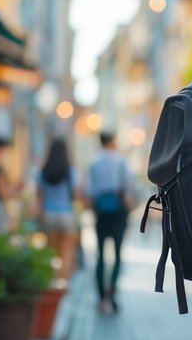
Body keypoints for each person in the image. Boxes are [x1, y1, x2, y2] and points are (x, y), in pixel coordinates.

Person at [86, 131, 131, 313]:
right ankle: (111, 293)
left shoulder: (94, 164)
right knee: (118, 255)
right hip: (118, 213)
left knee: (100, 255)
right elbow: (129, 189)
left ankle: (100, 296)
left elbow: (88, 193)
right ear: (113, 141)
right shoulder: (121, 161)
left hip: (101, 212)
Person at [36, 137, 79, 282]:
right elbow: (75, 192)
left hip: (49, 213)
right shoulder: (70, 170)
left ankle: (50, 281)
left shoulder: (43, 171)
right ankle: (63, 283)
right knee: (66, 252)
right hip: (66, 213)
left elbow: (39, 195)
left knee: (50, 251)